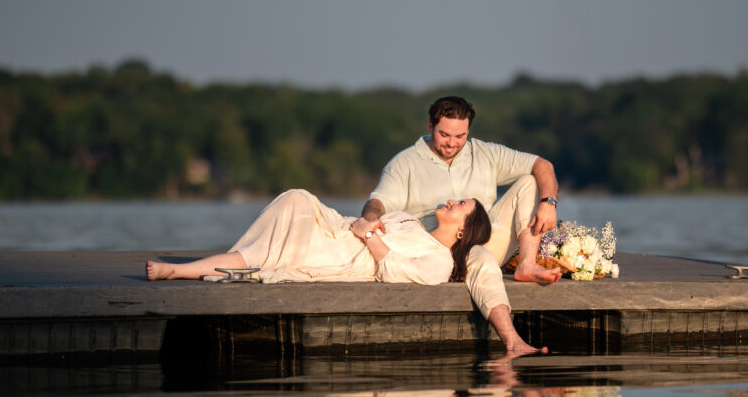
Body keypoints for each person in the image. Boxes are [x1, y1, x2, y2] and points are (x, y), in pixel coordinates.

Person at [145, 189, 544, 354]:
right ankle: (185, 270)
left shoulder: (439, 260)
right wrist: (359, 226)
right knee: (296, 200)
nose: (451, 201)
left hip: (349, 258)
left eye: (460, 206)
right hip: (342, 233)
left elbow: (390, 268)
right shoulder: (410, 223)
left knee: (275, 252)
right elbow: (363, 222)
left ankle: (179, 271)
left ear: (462, 229)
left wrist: (368, 236)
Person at [356, 96, 563, 287]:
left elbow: (543, 165)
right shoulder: (404, 163)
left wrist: (548, 203)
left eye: (460, 136)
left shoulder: (486, 153)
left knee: (531, 181)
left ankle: (526, 264)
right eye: (444, 134)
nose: (452, 143)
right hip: (436, 255)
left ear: (468, 131)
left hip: (488, 244)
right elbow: (378, 201)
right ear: (431, 126)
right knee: (480, 263)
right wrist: (369, 220)